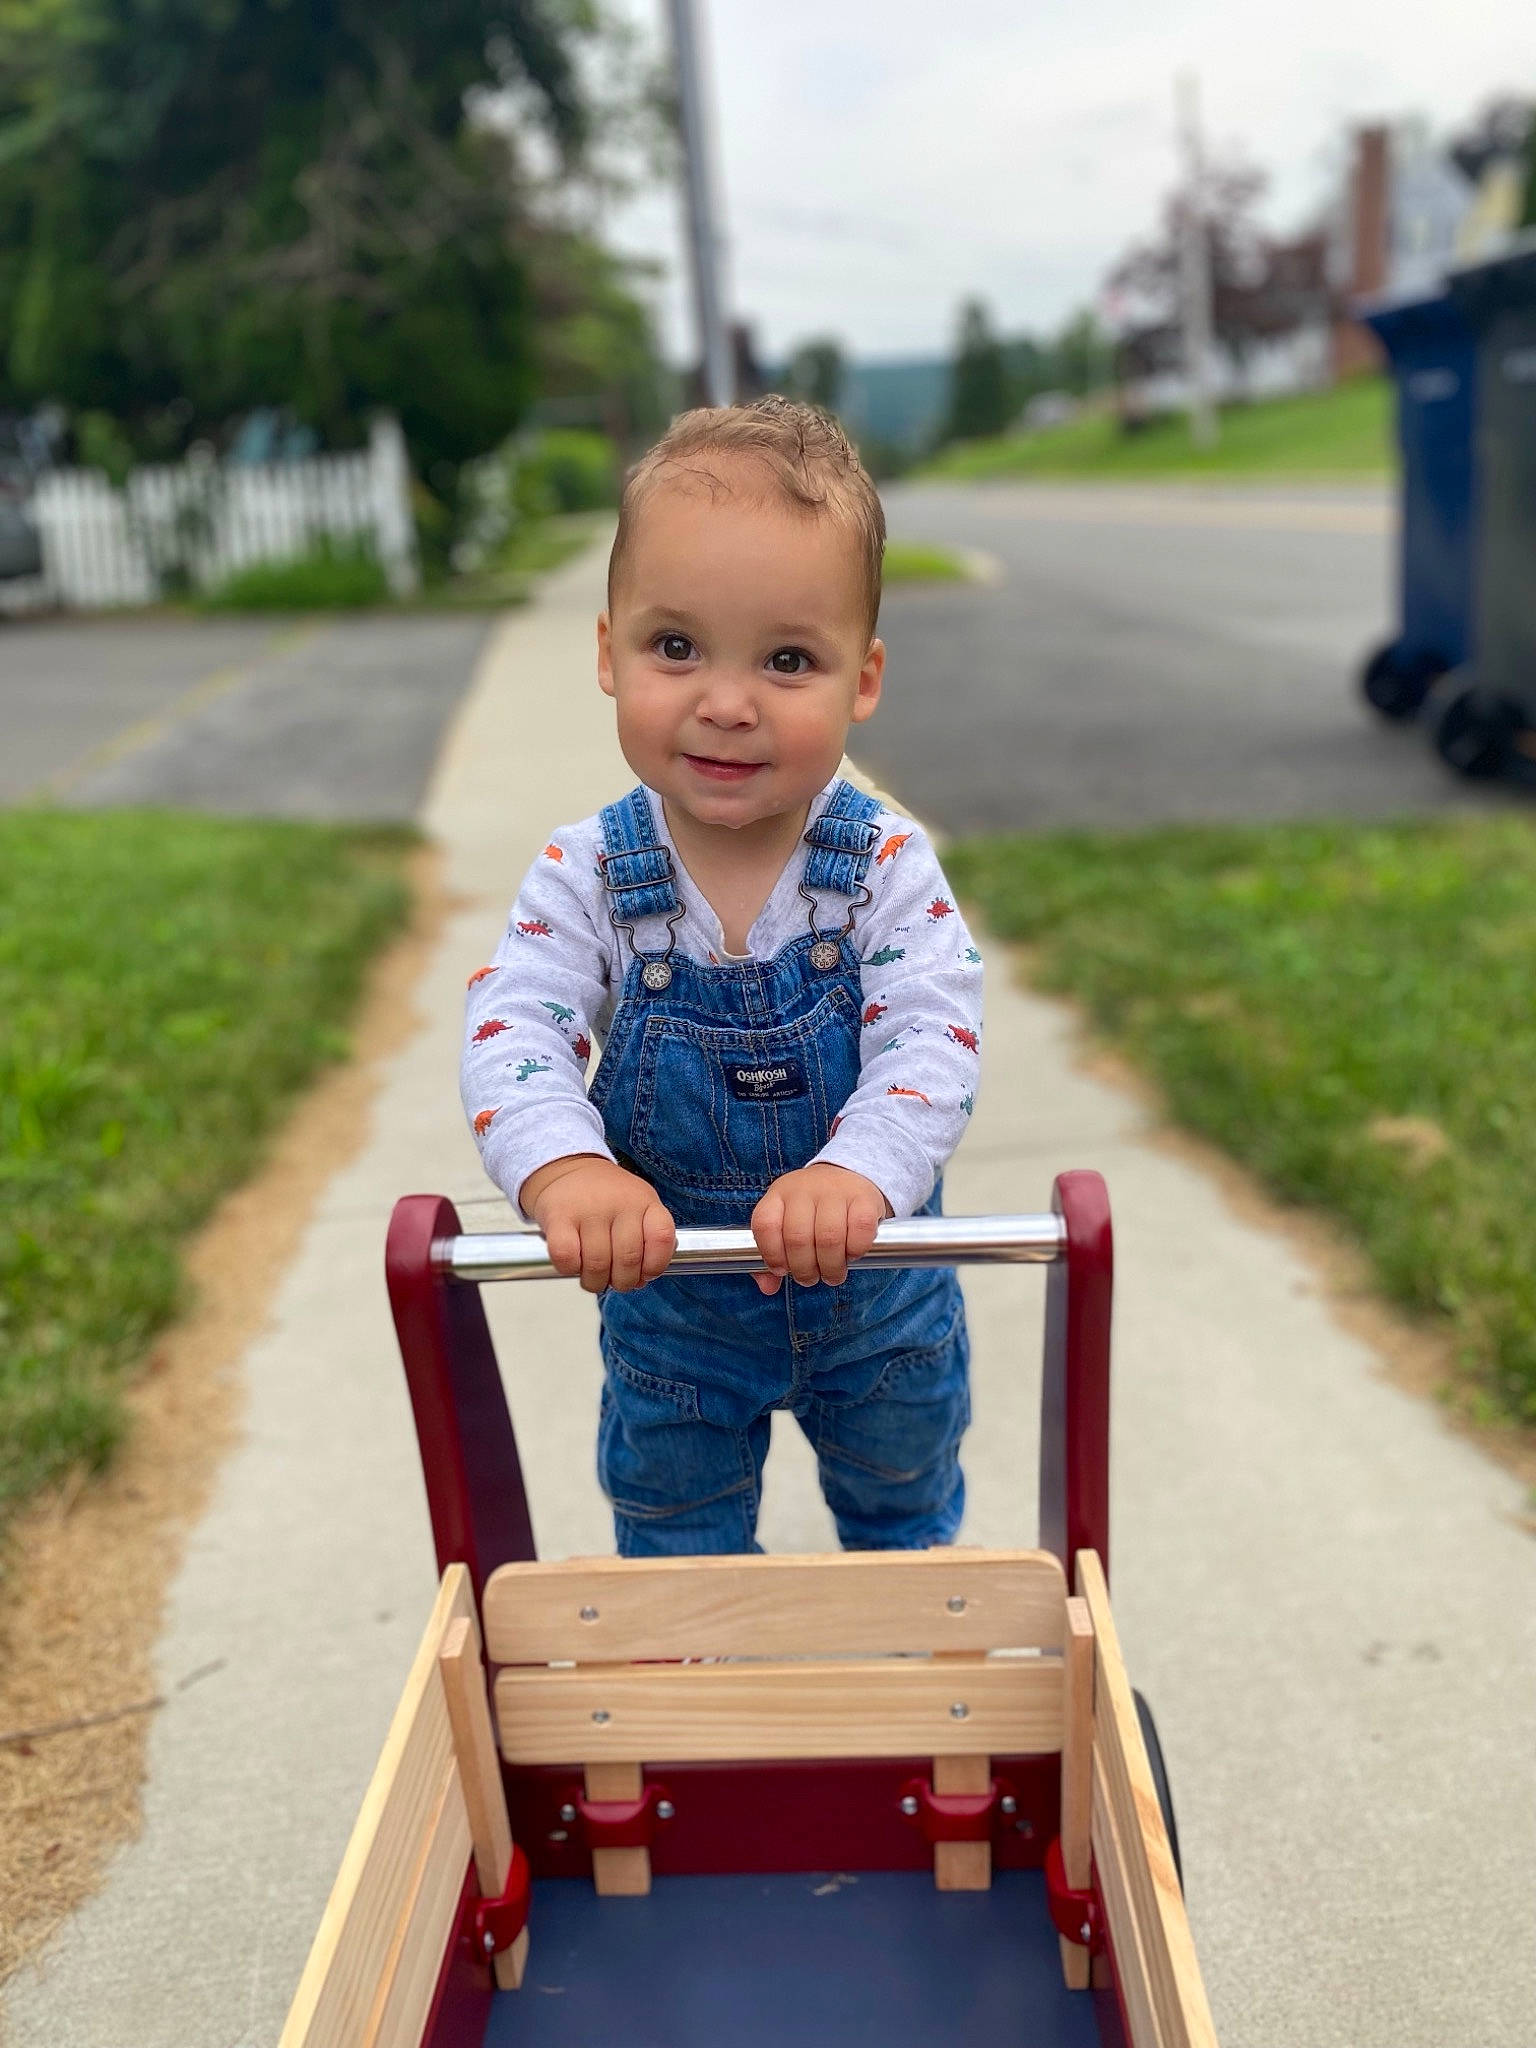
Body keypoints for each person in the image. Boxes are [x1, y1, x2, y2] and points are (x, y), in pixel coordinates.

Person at [461, 396, 983, 1557]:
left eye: (788, 658)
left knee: (907, 1517)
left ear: (864, 678)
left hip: (877, 1303)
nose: (727, 700)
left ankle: (912, 1664)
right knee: (674, 1541)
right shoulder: (588, 870)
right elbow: (517, 1025)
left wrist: (860, 1170)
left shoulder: (885, 864)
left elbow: (932, 1033)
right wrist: (565, 1167)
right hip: (676, 1320)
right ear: (609, 650)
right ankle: (700, 1691)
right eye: (677, 645)